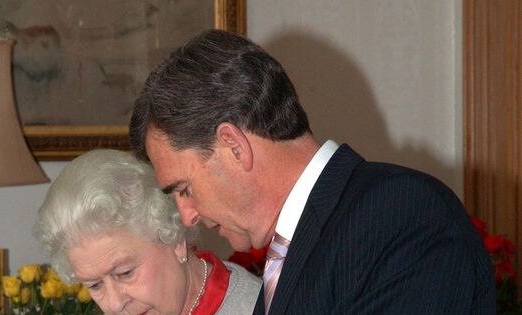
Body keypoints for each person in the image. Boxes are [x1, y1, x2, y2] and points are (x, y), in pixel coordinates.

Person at [129, 29, 495, 314]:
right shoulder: (295, 251)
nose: (186, 215)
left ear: (233, 147)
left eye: (184, 188)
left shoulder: (400, 215)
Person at [34, 149, 261, 315]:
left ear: (175, 241)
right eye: (95, 285)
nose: (114, 304)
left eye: (125, 273)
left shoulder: (258, 307)